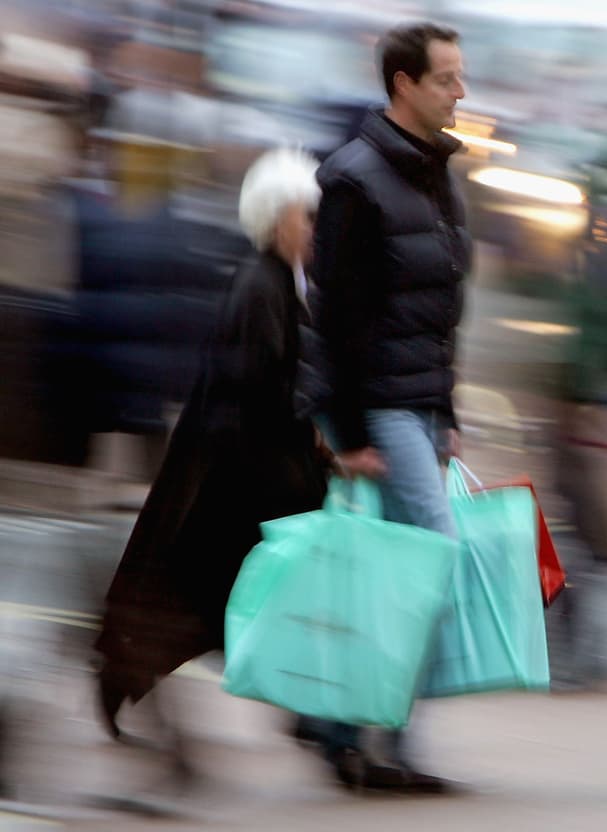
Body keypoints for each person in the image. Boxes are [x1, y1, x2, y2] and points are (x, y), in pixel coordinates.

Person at [93, 148, 332, 759]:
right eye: (307, 216)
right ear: (280, 219)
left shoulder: (274, 282)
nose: (314, 229)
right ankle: (122, 675)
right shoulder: (264, 286)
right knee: (208, 602)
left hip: (242, 474)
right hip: (242, 481)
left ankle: (307, 719)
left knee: (215, 604)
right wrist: (315, 448)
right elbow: (264, 391)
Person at [301, 21, 470, 792]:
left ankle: (347, 736)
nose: (460, 91)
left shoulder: (439, 173)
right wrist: (347, 430)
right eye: (446, 78)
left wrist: (449, 407)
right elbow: (333, 314)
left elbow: (439, 305)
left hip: (421, 404)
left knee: (388, 572)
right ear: (403, 83)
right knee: (431, 557)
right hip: (381, 408)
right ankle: (378, 742)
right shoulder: (354, 179)